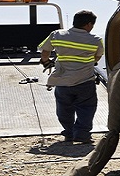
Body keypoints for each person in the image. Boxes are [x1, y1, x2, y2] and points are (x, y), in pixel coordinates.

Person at [39, 10, 104, 143]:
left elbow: (45, 51)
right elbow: (96, 58)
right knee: (87, 108)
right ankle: (82, 134)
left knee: (64, 108)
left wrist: (46, 62)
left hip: (62, 81)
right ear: (88, 24)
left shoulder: (57, 34)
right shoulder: (96, 40)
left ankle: (68, 133)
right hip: (85, 81)